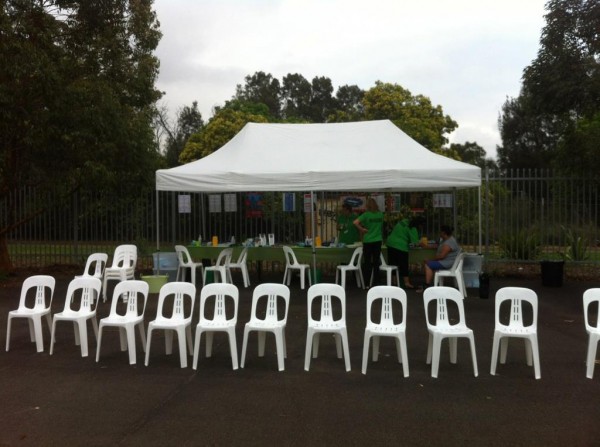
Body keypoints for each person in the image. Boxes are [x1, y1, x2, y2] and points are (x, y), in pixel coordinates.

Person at [419, 225, 461, 291]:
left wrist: (429, 260)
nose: (439, 233)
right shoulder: (447, 239)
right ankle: (433, 283)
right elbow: (438, 246)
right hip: (447, 261)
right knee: (429, 263)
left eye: (440, 232)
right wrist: (426, 246)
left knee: (428, 264)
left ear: (444, 233)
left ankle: (427, 285)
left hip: (447, 263)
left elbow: (441, 256)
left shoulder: (449, 243)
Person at [386, 216, 423, 289]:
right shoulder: (413, 228)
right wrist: (421, 243)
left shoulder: (403, 221)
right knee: (404, 265)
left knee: (393, 264)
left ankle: (394, 281)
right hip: (401, 246)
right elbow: (415, 243)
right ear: (419, 224)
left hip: (390, 243)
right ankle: (407, 283)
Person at [354, 198, 384, 287]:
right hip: (378, 240)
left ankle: (367, 283)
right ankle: (376, 281)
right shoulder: (380, 214)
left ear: (367, 206)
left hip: (368, 240)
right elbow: (381, 226)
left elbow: (355, 222)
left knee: (367, 262)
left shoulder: (366, 215)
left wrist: (362, 229)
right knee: (376, 262)